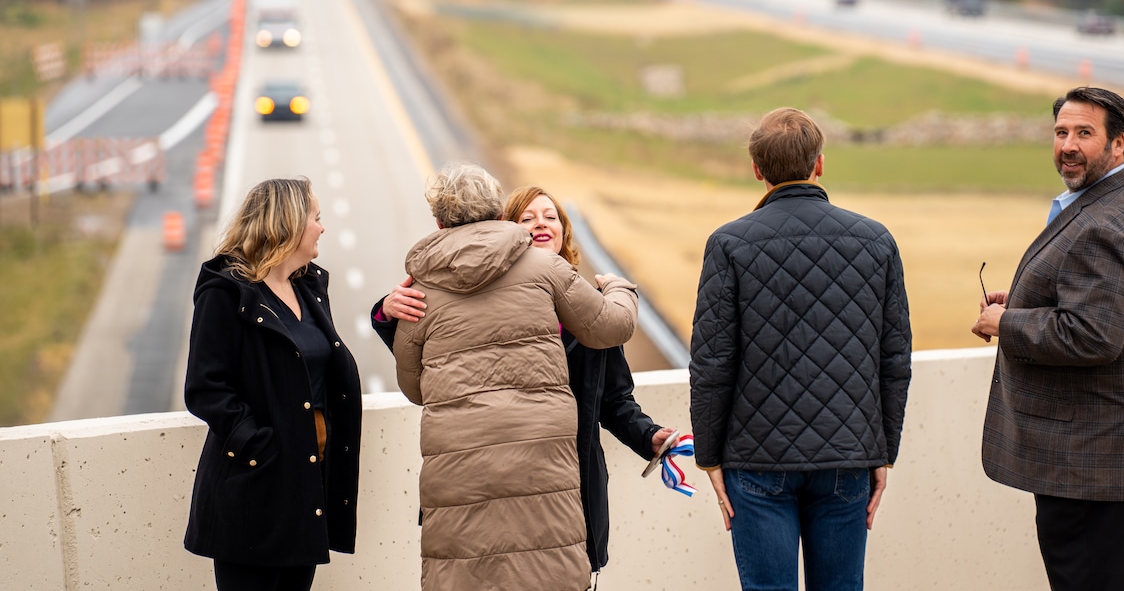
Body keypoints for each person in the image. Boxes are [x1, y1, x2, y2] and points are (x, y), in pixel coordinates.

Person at [376, 186, 675, 577]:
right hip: (480, 484)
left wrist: (647, 436)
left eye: (551, 217)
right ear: (506, 231)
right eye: (528, 218)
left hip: (568, 481)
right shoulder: (474, 292)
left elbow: (613, 400)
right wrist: (386, 313)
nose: (541, 224)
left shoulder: (591, 310)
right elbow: (433, 362)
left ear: (565, 231)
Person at [972, 86, 1124, 591]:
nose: (1068, 145)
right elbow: (1097, 305)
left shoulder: (1102, 225)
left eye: (1084, 133)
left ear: (1119, 143)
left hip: (1098, 470)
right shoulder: (1123, 199)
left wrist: (1005, 324)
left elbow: (1092, 335)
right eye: (1061, 132)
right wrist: (1022, 305)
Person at [689, 107, 912, 591]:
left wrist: (709, 458)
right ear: (819, 163)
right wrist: (883, 453)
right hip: (848, 455)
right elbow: (894, 360)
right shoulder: (876, 240)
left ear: (757, 169)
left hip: (755, 456)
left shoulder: (728, 243)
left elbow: (711, 363)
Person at [184, 177, 362, 591]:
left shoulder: (309, 287)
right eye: (316, 217)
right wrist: (259, 446)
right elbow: (206, 388)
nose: (322, 227)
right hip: (254, 486)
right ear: (289, 223)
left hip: (307, 482)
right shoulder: (226, 291)